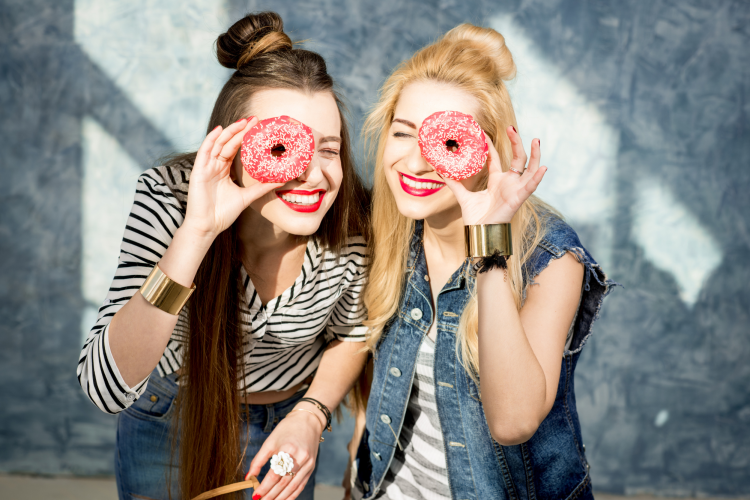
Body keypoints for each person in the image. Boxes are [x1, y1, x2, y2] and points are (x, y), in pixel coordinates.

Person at [76, 12, 370, 500]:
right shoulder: (170, 198)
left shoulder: (350, 219)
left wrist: (311, 412)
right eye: (283, 148)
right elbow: (104, 389)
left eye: (329, 149)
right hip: (171, 419)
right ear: (230, 146)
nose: (315, 177)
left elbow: (353, 334)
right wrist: (197, 232)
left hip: (289, 424)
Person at [347, 23, 616, 500]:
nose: (416, 162)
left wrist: (486, 237)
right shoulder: (392, 229)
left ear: (489, 150)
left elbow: (513, 421)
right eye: (404, 133)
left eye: (446, 143)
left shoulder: (551, 259)